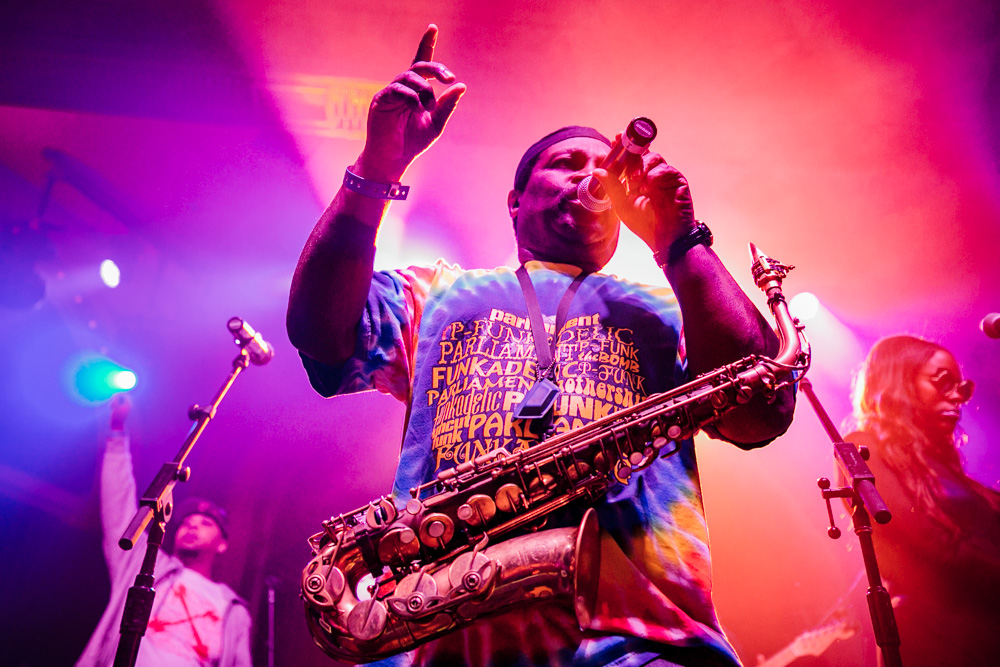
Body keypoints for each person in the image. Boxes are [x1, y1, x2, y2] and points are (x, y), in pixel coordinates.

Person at [287, 24, 795, 667]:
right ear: (515, 201)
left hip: (646, 644)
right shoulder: (435, 290)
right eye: (567, 164)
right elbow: (319, 334)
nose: (594, 178)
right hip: (446, 637)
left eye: (607, 170)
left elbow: (760, 412)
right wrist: (377, 166)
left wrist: (679, 241)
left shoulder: (671, 305)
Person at [843, 334, 1000, 667]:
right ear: (899, 382)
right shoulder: (862, 448)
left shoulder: (940, 464)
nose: (957, 397)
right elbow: (934, 544)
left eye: (962, 388)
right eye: (943, 383)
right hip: (938, 641)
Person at [75, 395, 253, 667]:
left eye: (206, 524)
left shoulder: (234, 612)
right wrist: (117, 434)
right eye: (186, 522)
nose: (192, 526)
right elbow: (119, 505)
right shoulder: (144, 566)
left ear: (222, 544)